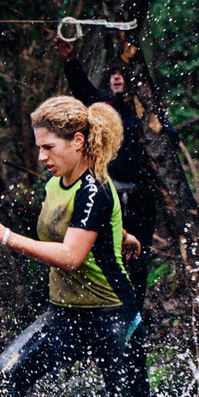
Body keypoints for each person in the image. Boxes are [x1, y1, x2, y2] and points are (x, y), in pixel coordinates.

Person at [0, 95, 181, 397]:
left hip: (113, 320)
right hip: (66, 316)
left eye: (49, 146)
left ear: (78, 141)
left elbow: (70, 256)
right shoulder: (55, 183)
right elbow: (78, 229)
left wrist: (7, 237)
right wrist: (120, 235)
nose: (42, 155)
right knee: (7, 373)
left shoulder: (95, 190)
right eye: (39, 146)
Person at [53, 38, 155, 307]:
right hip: (115, 196)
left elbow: (166, 146)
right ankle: (111, 308)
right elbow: (85, 93)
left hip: (141, 198)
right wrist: (70, 62)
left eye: (122, 74)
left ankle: (134, 311)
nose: (117, 79)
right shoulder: (107, 109)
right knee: (110, 254)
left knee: (139, 258)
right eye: (114, 75)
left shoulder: (147, 113)